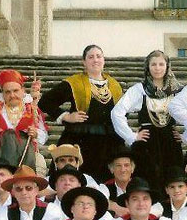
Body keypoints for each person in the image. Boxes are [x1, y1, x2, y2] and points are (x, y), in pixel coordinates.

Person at [40, 44, 124, 180]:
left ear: (104, 60)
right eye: (91, 57)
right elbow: (45, 101)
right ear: (84, 62)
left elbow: (122, 113)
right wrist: (66, 116)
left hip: (108, 143)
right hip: (80, 140)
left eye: (99, 56)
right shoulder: (74, 83)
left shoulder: (114, 85)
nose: (95, 60)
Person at [111, 50, 184, 194]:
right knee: (147, 180)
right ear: (148, 67)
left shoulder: (176, 91)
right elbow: (117, 112)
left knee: (171, 180)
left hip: (170, 142)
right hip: (147, 142)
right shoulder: (140, 90)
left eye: (161, 64)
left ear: (167, 66)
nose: (157, 68)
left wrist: (186, 137)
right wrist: (131, 137)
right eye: (154, 64)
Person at [0, 69, 47, 171]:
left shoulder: (32, 109)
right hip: (0, 154)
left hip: (25, 154)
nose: (12, 95)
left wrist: (35, 133)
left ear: (23, 90)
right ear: (2, 93)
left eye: (15, 91)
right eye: (8, 92)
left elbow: (43, 136)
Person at [103, 147, 140, 218]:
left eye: (126, 165)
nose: (123, 170)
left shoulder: (140, 187)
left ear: (132, 169)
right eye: (118, 166)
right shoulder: (105, 187)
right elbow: (100, 200)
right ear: (111, 169)